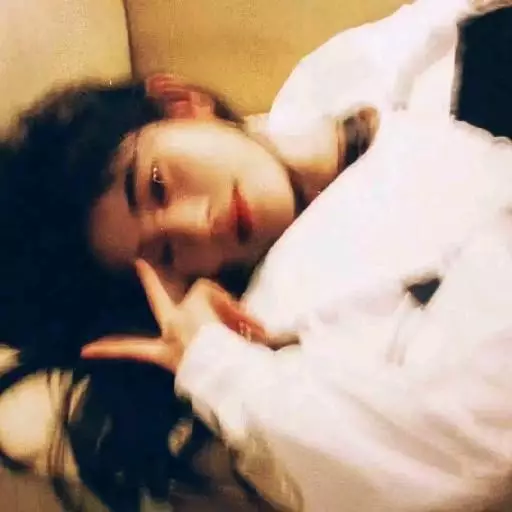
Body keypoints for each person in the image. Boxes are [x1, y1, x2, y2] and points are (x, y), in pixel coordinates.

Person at [0, 0, 508, 511]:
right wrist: (212, 363)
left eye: (157, 185)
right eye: (168, 254)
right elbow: (457, 460)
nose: (199, 224)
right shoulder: (291, 323)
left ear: (181, 103)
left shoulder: (328, 83)